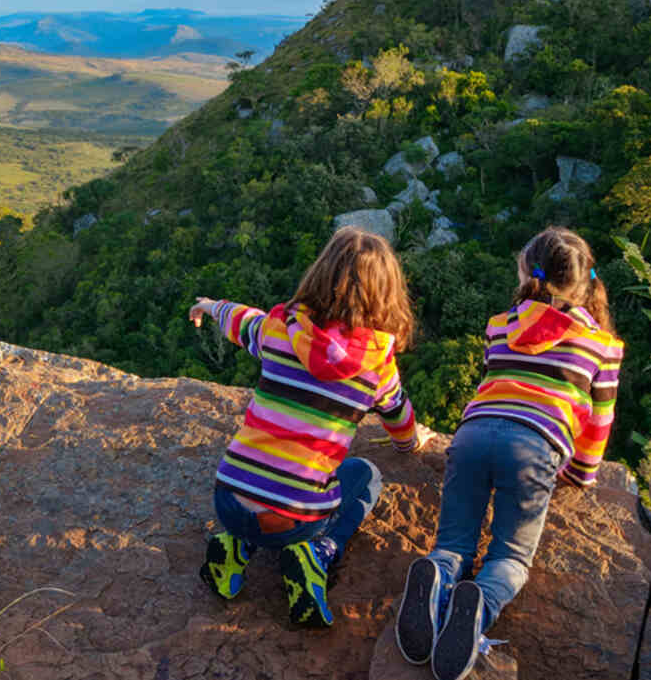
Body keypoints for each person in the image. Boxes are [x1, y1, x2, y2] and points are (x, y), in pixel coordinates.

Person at [395, 226, 624, 680]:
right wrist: (581, 473)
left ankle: (440, 574)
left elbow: (492, 380)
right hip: (535, 447)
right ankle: (480, 601)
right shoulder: (604, 345)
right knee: (511, 558)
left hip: (473, 434)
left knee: (453, 543)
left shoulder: (500, 326)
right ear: (588, 281)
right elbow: (599, 422)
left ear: (526, 272)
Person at [190, 225, 432, 626]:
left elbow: (241, 320)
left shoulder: (280, 327)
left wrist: (212, 306)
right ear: (387, 294)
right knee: (364, 476)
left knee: (260, 493)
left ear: (319, 274)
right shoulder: (377, 363)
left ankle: (237, 546)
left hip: (228, 500)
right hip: (295, 520)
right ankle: (318, 553)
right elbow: (399, 416)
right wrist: (412, 445)